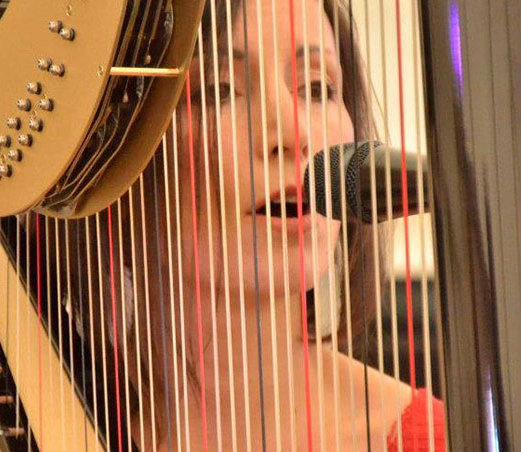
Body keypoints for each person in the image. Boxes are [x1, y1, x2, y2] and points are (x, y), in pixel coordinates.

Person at [79, 1, 446, 451]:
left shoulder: (429, 439)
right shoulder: (30, 398)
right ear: (107, 156)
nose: (293, 133)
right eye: (218, 91)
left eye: (317, 87)